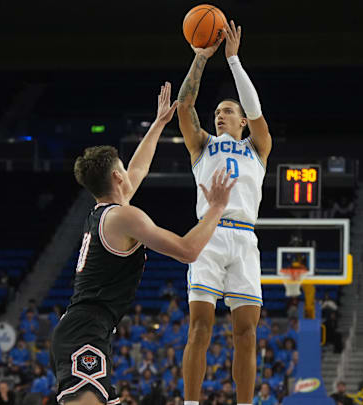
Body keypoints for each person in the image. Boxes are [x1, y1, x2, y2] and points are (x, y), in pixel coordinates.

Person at [51, 83, 237, 405]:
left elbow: (138, 169)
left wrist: (159, 124)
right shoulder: (125, 217)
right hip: (86, 329)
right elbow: (187, 250)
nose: (129, 171)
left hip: (87, 328)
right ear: (117, 178)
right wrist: (217, 208)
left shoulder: (107, 212)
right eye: (123, 169)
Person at [176, 20, 271, 405]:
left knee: (246, 333)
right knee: (200, 327)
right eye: (217, 111)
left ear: (242, 121)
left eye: (228, 111)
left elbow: (257, 109)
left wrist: (233, 61)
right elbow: (185, 106)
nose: (220, 115)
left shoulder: (257, 147)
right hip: (209, 235)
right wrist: (200, 58)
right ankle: (191, 403)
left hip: (244, 238)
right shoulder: (202, 145)